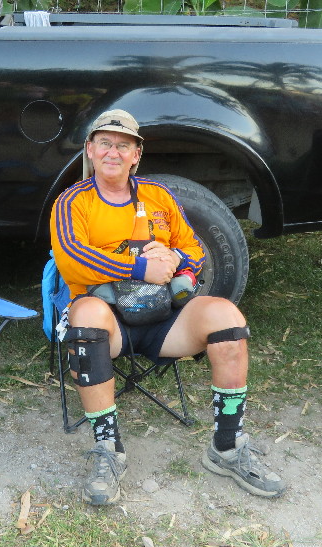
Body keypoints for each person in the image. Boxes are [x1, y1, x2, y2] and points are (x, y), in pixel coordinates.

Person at [50, 109, 286, 505]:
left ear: (137, 154)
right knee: (86, 314)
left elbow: (193, 248)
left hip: (165, 318)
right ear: (90, 149)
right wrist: (140, 267)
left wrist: (177, 261)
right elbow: (71, 259)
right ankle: (108, 451)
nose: (113, 152)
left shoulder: (159, 196)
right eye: (105, 143)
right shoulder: (72, 201)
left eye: (123, 145)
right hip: (109, 321)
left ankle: (227, 447)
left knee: (227, 317)